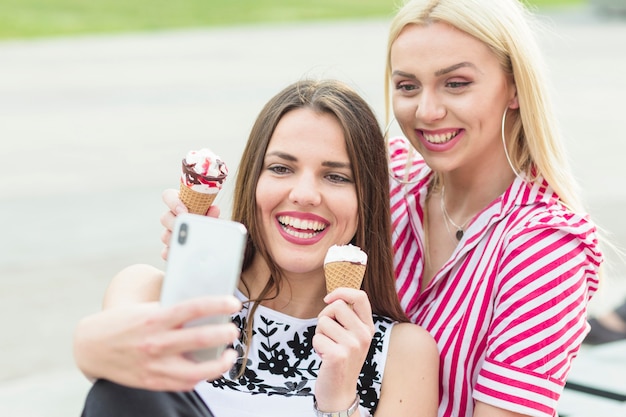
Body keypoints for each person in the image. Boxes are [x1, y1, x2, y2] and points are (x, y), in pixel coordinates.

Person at [156, 1, 603, 416]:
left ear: (514, 88)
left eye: (457, 83)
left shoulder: (548, 248)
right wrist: (204, 245)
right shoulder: (390, 175)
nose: (427, 111)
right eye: (407, 85)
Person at [74, 79, 440, 417]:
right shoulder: (150, 295)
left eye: (336, 176)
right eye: (281, 169)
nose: (304, 195)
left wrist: (340, 400)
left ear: (368, 200)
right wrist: (195, 271)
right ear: (253, 181)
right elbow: (103, 378)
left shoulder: (401, 354)